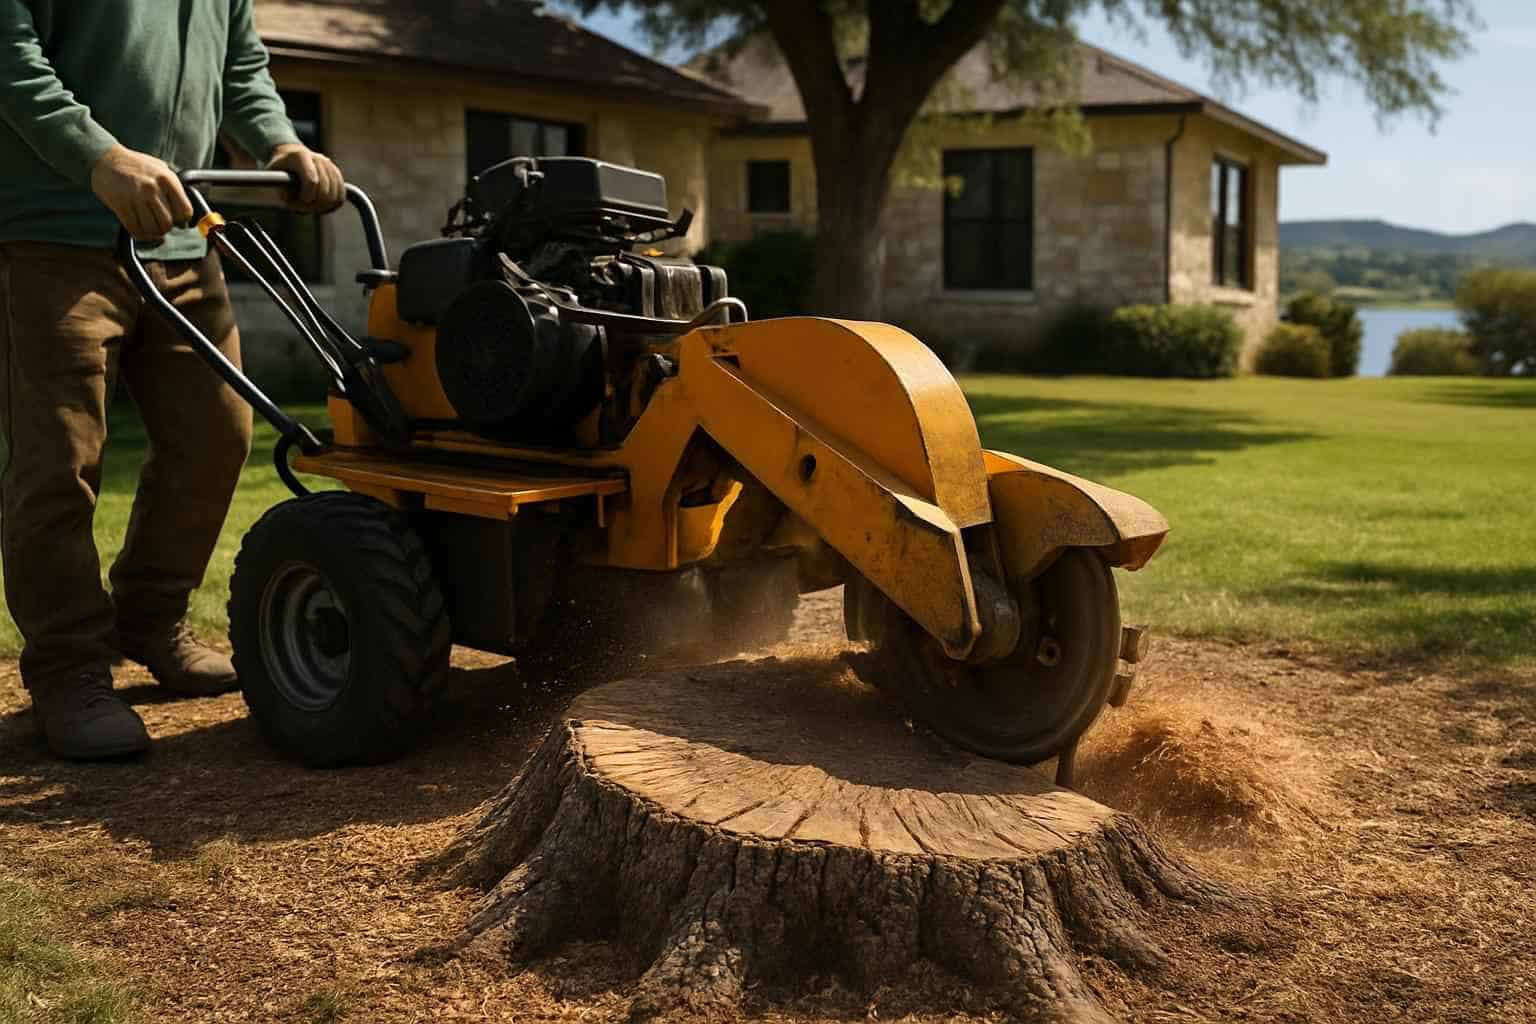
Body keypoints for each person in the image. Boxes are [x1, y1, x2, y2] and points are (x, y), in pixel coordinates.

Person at [0, 0, 346, 759]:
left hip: (184, 236)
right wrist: (97, 153)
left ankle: (150, 620)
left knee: (218, 434)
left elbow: (242, 70)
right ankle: (68, 670)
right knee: (58, 462)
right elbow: (10, 56)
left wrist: (280, 143)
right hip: (52, 231)